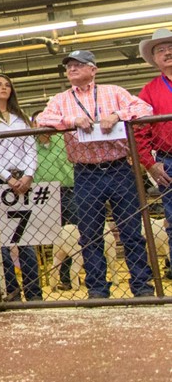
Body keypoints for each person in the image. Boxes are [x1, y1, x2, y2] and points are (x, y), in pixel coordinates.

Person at [36, 50, 155, 298]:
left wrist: (117, 115)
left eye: (78, 65)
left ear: (93, 69)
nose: (72, 69)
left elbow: (145, 109)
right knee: (89, 234)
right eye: (69, 67)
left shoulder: (114, 92)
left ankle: (142, 286)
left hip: (120, 168)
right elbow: (42, 120)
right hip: (85, 172)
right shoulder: (60, 99)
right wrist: (72, 120)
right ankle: (98, 290)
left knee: (131, 230)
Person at [0, 75, 42, 302]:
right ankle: (12, 293)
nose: (4, 88)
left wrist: (27, 175)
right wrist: (7, 178)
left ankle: (35, 294)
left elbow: (30, 148)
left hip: (24, 182)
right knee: (4, 240)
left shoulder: (21, 119)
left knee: (26, 239)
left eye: (7, 84)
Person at [134, 28, 172, 279]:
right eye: (160, 50)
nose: (167, 52)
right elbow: (139, 131)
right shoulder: (148, 91)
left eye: (170, 47)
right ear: (155, 59)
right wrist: (150, 163)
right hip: (168, 160)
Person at [30, 109, 78, 291]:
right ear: (33, 125)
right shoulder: (29, 144)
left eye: (46, 120)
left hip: (68, 190)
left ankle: (68, 277)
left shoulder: (63, 138)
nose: (42, 124)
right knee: (46, 237)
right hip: (42, 194)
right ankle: (46, 277)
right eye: (38, 121)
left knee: (73, 234)